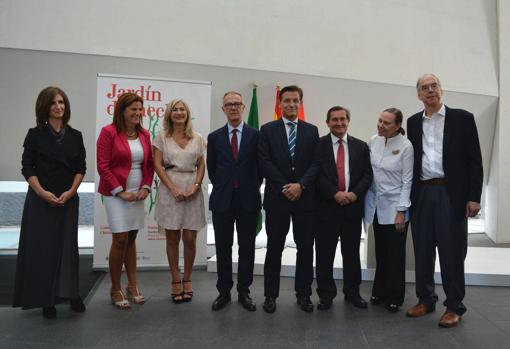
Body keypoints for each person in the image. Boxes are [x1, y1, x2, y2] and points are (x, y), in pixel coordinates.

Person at [406, 74, 483, 327]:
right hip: (423, 194)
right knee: (423, 251)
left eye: (434, 86)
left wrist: (473, 197)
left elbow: (475, 161)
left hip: (451, 194)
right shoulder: (413, 122)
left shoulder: (462, 118)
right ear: (418, 94)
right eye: (424, 88)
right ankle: (426, 299)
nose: (430, 91)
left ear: (441, 90)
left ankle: (454, 306)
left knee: (452, 252)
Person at [13, 86, 87, 318]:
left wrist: (71, 192)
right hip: (40, 199)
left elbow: (80, 168)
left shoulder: (76, 136)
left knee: (68, 249)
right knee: (44, 249)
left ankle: (72, 294)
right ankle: (48, 300)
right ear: (44, 107)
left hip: (68, 199)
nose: (59, 107)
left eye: (62, 103)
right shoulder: (34, 135)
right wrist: (42, 192)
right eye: (54, 103)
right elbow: (27, 167)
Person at [258, 85, 319, 313]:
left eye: (295, 101)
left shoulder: (311, 131)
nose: (291, 104)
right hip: (277, 199)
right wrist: (286, 186)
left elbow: (316, 163)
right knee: (274, 248)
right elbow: (264, 162)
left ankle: (303, 294)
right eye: (287, 101)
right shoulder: (267, 129)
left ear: (300, 103)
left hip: (305, 200)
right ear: (280, 104)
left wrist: (300, 185)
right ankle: (270, 295)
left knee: (305, 248)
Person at [97, 92, 154, 309]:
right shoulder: (108, 133)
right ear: (122, 111)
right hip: (115, 194)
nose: (138, 113)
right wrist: (120, 191)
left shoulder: (145, 135)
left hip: (138, 192)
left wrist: (146, 188)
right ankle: (115, 288)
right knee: (119, 239)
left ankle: (132, 285)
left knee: (131, 237)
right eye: (133, 109)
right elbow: (103, 166)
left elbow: (149, 166)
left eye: (140, 109)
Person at [207, 91, 262, 312]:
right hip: (223, 200)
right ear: (223, 109)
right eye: (229, 104)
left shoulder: (256, 135)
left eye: (237, 104)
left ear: (243, 107)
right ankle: (223, 291)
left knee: (247, 248)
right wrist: (226, 185)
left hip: (248, 199)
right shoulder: (214, 137)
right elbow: (212, 169)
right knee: (223, 247)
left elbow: (261, 168)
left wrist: (250, 185)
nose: (233, 108)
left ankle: (244, 291)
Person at [314, 106, 373, 310]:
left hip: (352, 207)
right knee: (324, 253)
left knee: (351, 253)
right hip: (326, 207)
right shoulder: (318, 145)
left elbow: (367, 174)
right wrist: (334, 193)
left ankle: (353, 293)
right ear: (327, 122)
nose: (339, 123)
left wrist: (354, 194)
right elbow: (316, 174)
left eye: (343, 119)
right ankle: (326, 294)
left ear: (348, 121)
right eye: (334, 120)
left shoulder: (361, 146)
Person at [153, 99, 206, 303]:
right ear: (169, 114)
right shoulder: (162, 138)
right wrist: (173, 188)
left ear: (187, 113)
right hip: (169, 189)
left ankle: (188, 278)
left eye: (182, 109)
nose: (179, 112)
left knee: (190, 238)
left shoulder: (198, 138)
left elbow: (202, 165)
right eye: (174, 109)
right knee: (172, 238)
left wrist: (195, 186)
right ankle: (175, 280)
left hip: (193, 189)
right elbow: (157, 165)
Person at [364, 108, 413, 313]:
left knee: (395, 254)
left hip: (396, 208)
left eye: (386, 123)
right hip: (375, 206)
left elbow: (407, 180)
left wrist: (402, 211)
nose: (381, 125)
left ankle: (395, 296)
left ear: (397, 126)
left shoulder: (406, 146)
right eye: (379, 120)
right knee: (381, 253)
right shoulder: (373, 140)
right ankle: (380, 291)